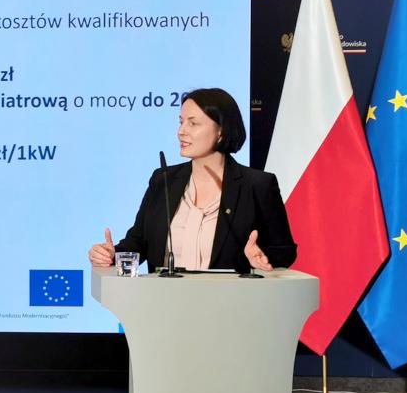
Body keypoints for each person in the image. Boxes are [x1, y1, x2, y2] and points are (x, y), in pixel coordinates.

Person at [89, 87, 296, 273]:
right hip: (161, 299)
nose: (181, 131)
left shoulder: (257, 185)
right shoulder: (163, 180)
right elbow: (139, 242)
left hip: (229, 300)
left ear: (221, 131)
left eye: (193, 123)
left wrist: (258, 256)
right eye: (181, 122)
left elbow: (285, 251)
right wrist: (112, 254)